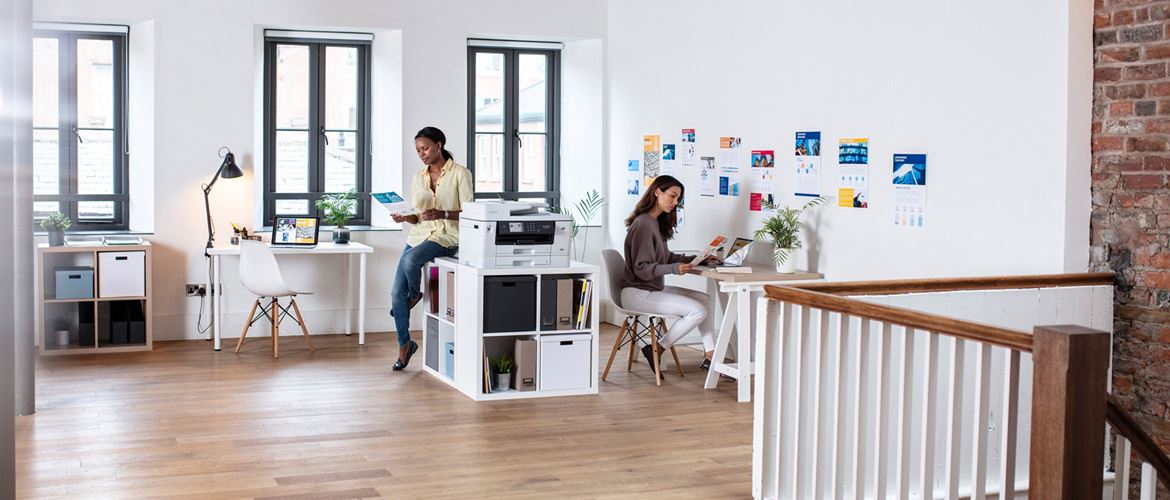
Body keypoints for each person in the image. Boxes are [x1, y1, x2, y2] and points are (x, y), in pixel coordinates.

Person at [389, 126, 473, 371]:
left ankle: (415, 295)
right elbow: (418, 217)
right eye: (418, 150)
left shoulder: (460, 174)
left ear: (439, 145)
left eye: (425, 148)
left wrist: (443, 212)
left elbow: (470, 211)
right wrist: (405, 218)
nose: (422, 153)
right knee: (396, 295)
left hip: (448, 237)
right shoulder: (419, 177)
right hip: (420, 235)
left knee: (410, 261)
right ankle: (405, 346)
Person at [620, 175, 720, 376]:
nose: (675, 203)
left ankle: (711, 356)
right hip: (637, 293)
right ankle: (657, 348)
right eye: (672, 196)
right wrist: (674, 269)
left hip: (650, 289)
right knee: (698, 311)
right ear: (657, 192)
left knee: (705, 300)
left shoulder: (654, 223)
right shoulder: (643, 224)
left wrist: (699, 258)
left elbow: (666, 257)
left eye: (678, 199)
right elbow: (642, 268)